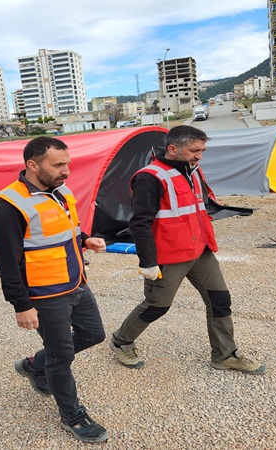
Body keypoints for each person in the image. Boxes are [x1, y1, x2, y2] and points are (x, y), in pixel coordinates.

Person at [109, 125, 265, 375]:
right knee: (157, 306)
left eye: (202, 150)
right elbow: (140, 223)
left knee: (220, 301)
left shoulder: (191, 171)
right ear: (173, 149)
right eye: (194, 150)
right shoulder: (150, 177)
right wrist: (147, 261)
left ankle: (225, 355)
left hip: (200, 250)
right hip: (170, 255)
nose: (199, 156)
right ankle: (121, 340)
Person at [0, 136, 109, 443]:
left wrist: (85, 240)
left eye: (67, 163)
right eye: (58, 165)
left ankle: (32, 366)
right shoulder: (9, 204)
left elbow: (66, 231)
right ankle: (72, 414)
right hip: (44, 294)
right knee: (61, 354)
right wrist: (21, 304)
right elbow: (6, 262)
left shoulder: (61, 191)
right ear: (32, 165)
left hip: (76, 281)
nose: (66, 170)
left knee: (94, 334)